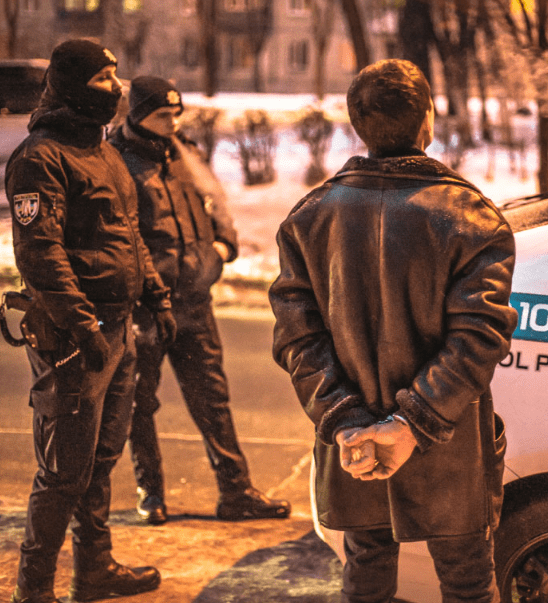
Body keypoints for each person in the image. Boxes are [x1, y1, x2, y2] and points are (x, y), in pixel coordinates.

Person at [269, 59, 517, 603]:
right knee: (468, 585)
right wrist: (412, 424)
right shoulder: (471, 217)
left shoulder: (310, 217)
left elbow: (298, 340)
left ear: (357, 124)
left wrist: (349, 423)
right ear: (427, 119)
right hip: (448, 448)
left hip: (357, 450)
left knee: (366, 576)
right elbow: (478, 339)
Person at [5, 40, 176, 603]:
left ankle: (93, 569)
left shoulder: (103, 152)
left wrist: (157, 297)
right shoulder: (40, 158)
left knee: (101, 460)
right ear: (73, 84)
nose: (116, 86)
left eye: (115, 74)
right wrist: (83, 328)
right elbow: (40, 254)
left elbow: (128, 233)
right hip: (74, 339)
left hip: (118, 330)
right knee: (64, 472)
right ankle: (33, 589)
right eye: (103, 76)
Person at [108, 76, 291, 524]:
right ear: (138, 115)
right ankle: (151, 493)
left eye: (175, 114)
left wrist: (223, 247)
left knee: (213, 400)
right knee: (139, 403)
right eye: (161, 115)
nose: (171, 123)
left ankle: (236, 492)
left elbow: (215, 202)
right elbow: (119, 237)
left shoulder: (183, 153)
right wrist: (145, 288)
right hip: (147, 309)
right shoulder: (117, 163)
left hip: (194, 301)